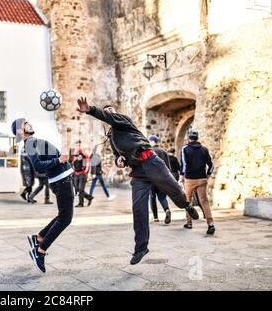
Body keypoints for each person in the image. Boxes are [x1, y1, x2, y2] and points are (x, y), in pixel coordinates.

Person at [76, 97, 199, 265]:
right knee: (139, 210)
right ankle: (141, 248)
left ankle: (187, 205)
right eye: (108, 111)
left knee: (174, 190)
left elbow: (110, 117)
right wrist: (120, 161)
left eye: (111, 110)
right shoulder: (112, 137)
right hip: (138, 172)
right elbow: (118, 156)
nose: (110, 113)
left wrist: (90, 109)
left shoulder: (124, 121)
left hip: (151, 161)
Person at [12, 118, 73, 273]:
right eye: (25, 123)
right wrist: (59, 159)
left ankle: (39, 238)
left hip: (62, 178)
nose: (29, 123)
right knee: (65, 218)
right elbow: (38, 166)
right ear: (21, 131)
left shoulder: (33, 141)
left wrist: (60, 159)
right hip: (61, 181)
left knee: (63, 215)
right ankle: (40, 251)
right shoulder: (30, 143)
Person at [180, 130, 216, 235]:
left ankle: (189, 223)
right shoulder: (204, 149)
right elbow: (211, 165)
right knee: (204, 201)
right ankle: (210, 224)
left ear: (188, 138)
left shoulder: (185, 149)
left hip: (190, 179)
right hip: (202, 178)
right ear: (197, 138)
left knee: (188, 201)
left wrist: (182, 176)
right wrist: (208, 175)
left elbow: (184, 164)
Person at [147, 135, 172, 225]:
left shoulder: (149, 152)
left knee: (152, 197)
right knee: (162, 197)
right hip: (163, 179)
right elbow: (168, 167)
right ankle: (167, 210)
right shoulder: (164, 152)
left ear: (152, 141)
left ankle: (155, 217)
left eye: (149, 140)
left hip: (152, 179)